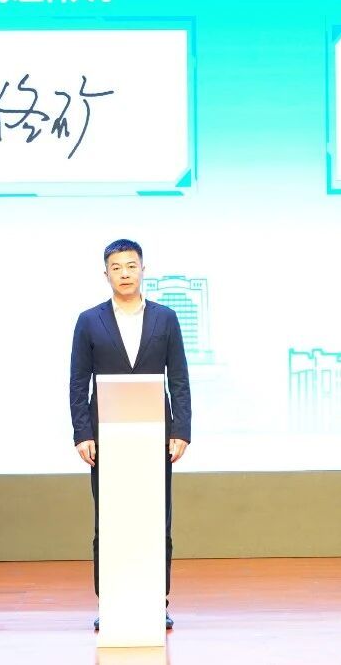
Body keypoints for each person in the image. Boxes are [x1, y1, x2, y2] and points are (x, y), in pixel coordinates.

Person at [69, 239, 191, 631]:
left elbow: (179, 378)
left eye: (131, 266)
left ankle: (158, 601)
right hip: (107, 437)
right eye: (117, 267)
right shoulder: (89, 320)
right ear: (106, 273)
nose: (124, 273)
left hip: (155, 436)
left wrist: (181, 429)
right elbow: (78, 381)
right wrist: (82, 433)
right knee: (109, 520)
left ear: (143, 270)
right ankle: (110, 602)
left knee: (157, 520)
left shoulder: (165, 318)